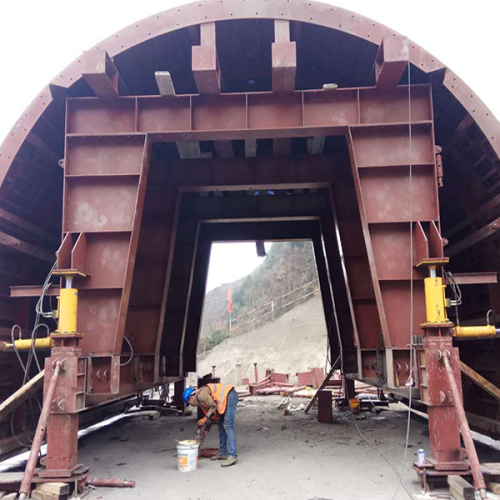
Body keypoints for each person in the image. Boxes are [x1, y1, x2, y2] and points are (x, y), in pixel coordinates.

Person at [183, 383, 238, 467]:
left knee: (227, 425)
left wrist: (204, 419)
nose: (191, 405)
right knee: (221, 425)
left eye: (189, 403)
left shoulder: (201, 395)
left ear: (191, 397)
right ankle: (223, 453)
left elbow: (213, 406)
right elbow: (212, 417)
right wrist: (205, 431)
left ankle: (233, 456)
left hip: (230, 395)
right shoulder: (201, 402)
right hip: (225, 399)